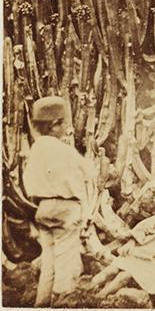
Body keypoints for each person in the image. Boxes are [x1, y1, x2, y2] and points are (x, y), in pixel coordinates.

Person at [22, 96, 98, 306]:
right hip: (65, 209)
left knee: (49, 262)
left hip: (42, 209)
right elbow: (89, 172)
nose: (67, 127)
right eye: (65, 122)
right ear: (55, 125)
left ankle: (42, 303)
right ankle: (63, 304)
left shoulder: (36, 149)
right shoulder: (64, 150)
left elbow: (27, 180)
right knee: (67, 262)